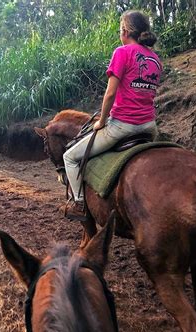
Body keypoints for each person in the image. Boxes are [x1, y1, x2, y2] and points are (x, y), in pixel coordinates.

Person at [62, 10, 162, 221]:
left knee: (69, 157)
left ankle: (79, 204)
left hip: (124, 125)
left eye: (120, 30)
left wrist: (101, 121)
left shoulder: (122, 52)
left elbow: (110, 94)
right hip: (150, 127)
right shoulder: (154, 58)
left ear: (125, 31)